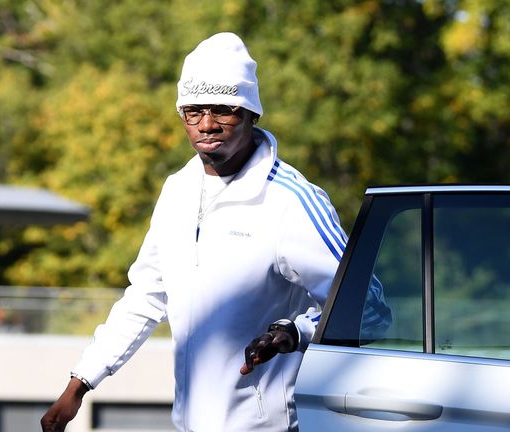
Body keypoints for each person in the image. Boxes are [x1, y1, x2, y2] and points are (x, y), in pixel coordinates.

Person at [41, 32, 390, 432]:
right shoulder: (177, 190)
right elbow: (146, 298)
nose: (206, 124)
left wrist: (296, 331)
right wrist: (80, 383)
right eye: (193, 111)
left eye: (223, 109)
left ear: (251, 114)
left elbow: (372, 310)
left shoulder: (290, 201)